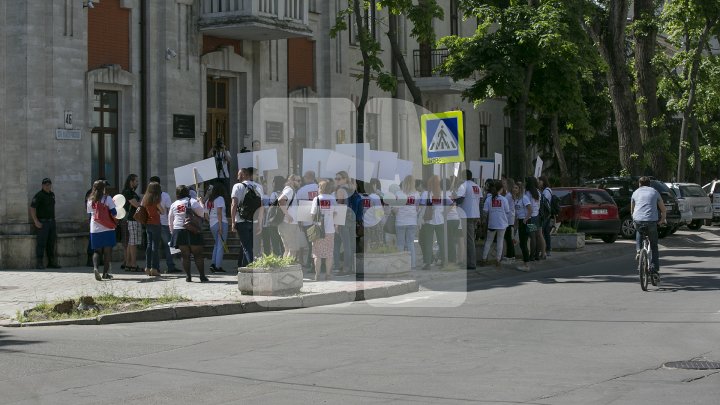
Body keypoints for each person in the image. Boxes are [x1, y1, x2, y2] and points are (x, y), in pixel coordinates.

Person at [168, 185, 208, 282]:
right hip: (192, 229)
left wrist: (172, 232)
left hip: (179, 230)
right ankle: (202, 276)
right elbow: (202, 213)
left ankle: (188, 276)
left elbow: (170, 219)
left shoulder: (174, 204)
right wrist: (201, 203)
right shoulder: (193, 202)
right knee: (198, 255)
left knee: (185, 255)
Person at [631, 176, 667, 275]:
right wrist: (662, 220)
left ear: (639, 184)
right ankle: (654, 269)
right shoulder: (655, 192)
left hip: (638, 219)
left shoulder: (635, 193)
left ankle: (638, 250)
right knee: (654, 246)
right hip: (651, 221)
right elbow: (663, 210)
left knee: (638, 229)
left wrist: (635, 219)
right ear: (649, 184)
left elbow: (632, 210)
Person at [230, 168, 264, 268]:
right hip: (255, 220)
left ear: (245, 174)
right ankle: (243, 269)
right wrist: (260, 223)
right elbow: (261, 206)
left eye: (239, 174)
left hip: (241, 220)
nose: (237, 177)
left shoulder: (237, 186)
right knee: (249, 247)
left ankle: (253, 269)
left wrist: (232, 221)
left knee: (246, 247)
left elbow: (234, 204)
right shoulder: (259, 187)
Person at [87, 180, 117, 280]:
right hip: (107, 228)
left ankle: (95, 268)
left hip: (94, 228)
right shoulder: (107, 198)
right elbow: (114, 212)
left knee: (97, 251)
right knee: (107, 252)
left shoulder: (90, 200)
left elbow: (90, 213)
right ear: (103, 188)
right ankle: (105, 273)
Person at [420, 175, 451, 269]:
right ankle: (444, 262)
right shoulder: (442, 193)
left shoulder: (426, 193)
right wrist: (445, 212)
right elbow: (452, 203)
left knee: (428, 242)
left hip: (429, 221)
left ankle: (428, 263)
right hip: (440, 220)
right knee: (442, 242)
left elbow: (421, 206)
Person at [29, 178, 61, 269]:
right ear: (42, 185)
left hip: (51, 222)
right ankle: (39, 262)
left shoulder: (52, 194)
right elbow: (32, 208)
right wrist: (36, 221)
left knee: (51, 242)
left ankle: (51, 262)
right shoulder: (39, 195)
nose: (48, 186)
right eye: (46, 185)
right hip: (42, 222)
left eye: (49, 184)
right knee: (41, 243)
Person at [149, 176, 179, 273]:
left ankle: (154, 267)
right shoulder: (165, 195)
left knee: (154, 246)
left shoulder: (148, 196)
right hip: (164, 223)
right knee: (168, 246)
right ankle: (170, 266)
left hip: (152, 223)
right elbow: (169, 210)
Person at [454, 170, 482, 270]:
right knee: (470, 239)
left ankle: (471, 263)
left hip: (467, 214)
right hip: (475, 214)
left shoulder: (464, 186)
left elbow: (460, 199)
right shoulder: (476, 186)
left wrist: (453, 200)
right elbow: (480, 200)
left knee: (469, 240)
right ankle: (469, 262)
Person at [310, 180, 337, 281]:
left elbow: (313, 214)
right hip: (330, 230)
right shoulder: (333, 199)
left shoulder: (316, 199)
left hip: (318, 230)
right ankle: (328, 275)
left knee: (317, 254)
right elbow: (335, 213)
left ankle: (317, 275)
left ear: (320, 188)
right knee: (329, 253)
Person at [481, 181, 510, 267]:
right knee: (500, 241)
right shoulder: (504, 199)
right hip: (502, 223)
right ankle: (498, 260)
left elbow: (485, 211)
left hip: (492, 223)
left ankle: (484, 258)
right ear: (501, 189)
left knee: (488, 242)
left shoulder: (489, 199)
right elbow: (507, 211)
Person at [277, 174, 306, 260]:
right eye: (298, 181)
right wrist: (287, 215)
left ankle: (285, 269)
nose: (300, 183)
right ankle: (288, 269)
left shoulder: (288, 190)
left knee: (288, 249)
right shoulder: (289, 190)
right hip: (289, 223)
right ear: (292, 181)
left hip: (286, 223)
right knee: (293, 250)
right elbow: (281, 200)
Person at [394, 175, 420, 269]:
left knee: (400, 244)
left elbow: (395, 210)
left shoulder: (398, 193)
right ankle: (412, 265)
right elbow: (417, 208)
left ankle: (399, 266)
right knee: (410, 243)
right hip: (412, 221)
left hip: (400, 222)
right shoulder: (417, 194)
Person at [333, 171, 356, 275]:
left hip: (343, 219)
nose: (336, 180)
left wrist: (337, 223)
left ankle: (346, 268)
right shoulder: (352, 189)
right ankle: (350, 266)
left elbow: (340, 206)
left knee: (345, 245)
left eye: (339, 178)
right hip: (352, 218)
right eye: (336, 178)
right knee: (350, 244)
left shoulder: (341, 190)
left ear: (345, 179)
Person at [297, 171, 319, 270]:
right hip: (320, 220)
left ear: (307, 177)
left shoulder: (302, 190)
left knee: (311, 244)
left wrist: (300, 221)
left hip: (307, 220)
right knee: (318, 243)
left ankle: (312, 264)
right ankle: (318, 264)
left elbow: (299, 206)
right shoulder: (320, 187)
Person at [141, 182, 163, 277]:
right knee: (155, 246)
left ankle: (147, 267)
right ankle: (154, 268)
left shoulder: (145, 199)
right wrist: (158, 211)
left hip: (148, 224)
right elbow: (163, 211)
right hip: (156, 223)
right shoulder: (156, 199)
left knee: (149, 245)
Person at [205, 183, 229, 273]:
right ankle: (217, 266)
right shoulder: (220, 199)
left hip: (212, 224)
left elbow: (206, 215)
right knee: (221, 245)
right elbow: (219, 213)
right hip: (221, 223)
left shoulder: (208, 201)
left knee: (217, 244)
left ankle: (213, 264)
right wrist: (220, 226)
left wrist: (212, 221)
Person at [120, 174, 142, 272]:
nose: (137, 183)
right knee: (133, 242)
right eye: (136, 181)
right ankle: (133, 264)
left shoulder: (132, 192)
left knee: (131, 242)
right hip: (131, 219)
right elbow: (136, 204)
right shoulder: (127, 192)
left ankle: (129, 264)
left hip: (134, 219)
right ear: (131, 181)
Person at [263, 176, 285, 256]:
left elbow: (271, 206)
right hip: (282, 219)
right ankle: (284, 257)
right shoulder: (284, 193)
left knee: (275, 241)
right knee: (282, 241)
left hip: (273, 220)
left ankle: (277, 257)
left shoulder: (274, 194)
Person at [515, 181, 533, 272]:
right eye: (514, 188)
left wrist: (526, 219)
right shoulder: (517, 199)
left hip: (525, 221)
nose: (514, 190)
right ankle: (526, 262)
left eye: (516, 188)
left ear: (520, 189)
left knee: (523, 243)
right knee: (522, 243)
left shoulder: (524, 198)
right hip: (520, 221)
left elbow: (530, 210)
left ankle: (526, 264)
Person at [525, 177, 542, 262]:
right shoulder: (538, 192)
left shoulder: (528, 193)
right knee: (537, 236)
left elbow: (528, 206)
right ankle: (537, 255)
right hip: (537, 216)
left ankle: (531, 256)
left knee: (533, 237)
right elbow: (538, 205)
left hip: (531, 217)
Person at [502, 178, 518, 262]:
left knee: (508, 237)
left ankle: (510, 256)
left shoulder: (508, 195)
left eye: (505, 183)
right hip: (511, 218)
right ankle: (512, 255)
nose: (504, 185)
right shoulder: (511, 195)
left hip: (508, 219)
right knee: (509, 237)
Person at [538, 175, 553, 258]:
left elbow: (542, 201)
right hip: (547, 214)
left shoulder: (546, 191)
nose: (539, 183)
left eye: (540, 181)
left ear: (543, 181)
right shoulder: (547, 190)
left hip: (545, 214)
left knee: (542, 232)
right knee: (546, 232)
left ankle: (544, 250)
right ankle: (548, 250)